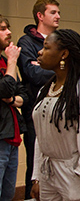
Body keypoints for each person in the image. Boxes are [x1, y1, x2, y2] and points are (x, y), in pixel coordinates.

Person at [30, 29, 80, 201]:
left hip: (75, 172)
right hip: (49, 171)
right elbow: (41, 137)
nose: (40, 52)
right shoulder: (45, 89)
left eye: (46, 48)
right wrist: (37, 176)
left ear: (64, 54)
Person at [17, 0, 60, 200]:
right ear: (40, 16)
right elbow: (31, 75)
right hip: (36, 110)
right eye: (53, 12)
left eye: (58, 12)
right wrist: (60, 67)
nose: (58, 16)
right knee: (36, 165)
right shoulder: (26, 42)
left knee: (57, 163)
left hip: (59, 110)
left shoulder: (61, 41)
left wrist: (44, 66)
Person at [0, 15, 28, 200]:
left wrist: (9, 100)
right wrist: (12, 62)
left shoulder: (4, 61)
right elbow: (6, 88)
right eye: (2, 28)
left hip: (11, 137)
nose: (9, 32)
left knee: (8, 195)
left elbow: (23, 94)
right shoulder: (8, 61)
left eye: (7, 27)